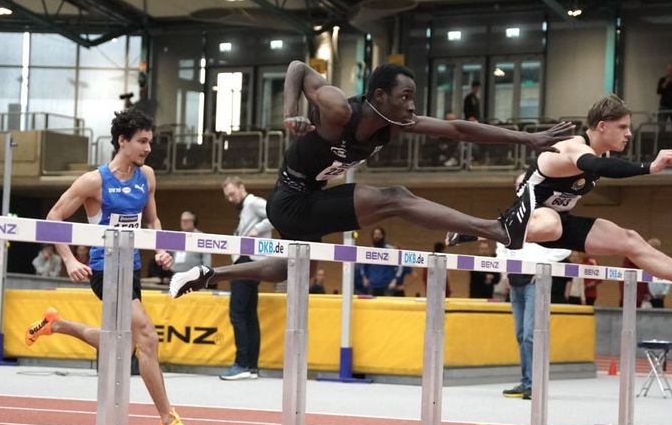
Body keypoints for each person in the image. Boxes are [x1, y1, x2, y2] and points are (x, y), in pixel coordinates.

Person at [167, 61, 574, 298]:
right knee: (395, 196)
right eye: (405, 97)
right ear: (379, 97)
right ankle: (496, 229)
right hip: (289, 198)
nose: (412, 106)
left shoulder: (396, 123)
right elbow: (296, 68)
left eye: (414, 98)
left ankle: (209, 275)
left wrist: (529, 138)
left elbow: (461, 131)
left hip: (309, 198)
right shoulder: (339, 110)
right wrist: (290, 112)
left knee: (292, 268)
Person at [450, 94, 672, 308]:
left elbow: (600, 166)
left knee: (630, 239)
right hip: (531, 216)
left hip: (558, 222)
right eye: (623, 127)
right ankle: (480, 228)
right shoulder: (572, 147)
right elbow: (596, 167)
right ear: (602, 125)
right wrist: (649, 167)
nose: (630, 134)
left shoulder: (602, 154)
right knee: (552, 223)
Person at [24, 108, 203, 425]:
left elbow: (153, 222)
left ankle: (58, 325)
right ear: (122, 141)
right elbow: (53, 218)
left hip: (132, 268)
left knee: (122, 344)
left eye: (150, 141)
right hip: (105, 270)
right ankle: (169, 419)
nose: (148, 148)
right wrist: (67, 259)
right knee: (147, 336)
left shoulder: (147, 176)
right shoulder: (95, 181)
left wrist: (160, 249)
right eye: (142, 141)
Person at [498, 223, 571, 401]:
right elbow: (501, 247)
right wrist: (504, 273)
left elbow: (566, 248)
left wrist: (541, 267)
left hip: (535, 283)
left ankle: (534, 384)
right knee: (521, 334)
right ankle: (526, 382)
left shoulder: (543, 225)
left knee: (530, 335)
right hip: (515, 284)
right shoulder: (511, 224)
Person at [220, 176, 273, 381]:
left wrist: (257, 230)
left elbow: (275, 214)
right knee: (249, 314)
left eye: (232, 193)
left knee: (237, 313)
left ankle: (241, 363)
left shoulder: (252, 202)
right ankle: (251, 366)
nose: (230, 199)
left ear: (242, 188)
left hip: (248, 260)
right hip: (253, 262)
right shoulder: (244, 208)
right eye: (227, 196)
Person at [360, 226, 407, 297]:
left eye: (379, 234)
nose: (377, 236)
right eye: (375, 234)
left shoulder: (390, 250)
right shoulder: (369, 251)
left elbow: (400, 265)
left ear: (383, 236)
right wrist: (364, 278)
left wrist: (395, 280)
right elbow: (363, 266)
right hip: (372, 285)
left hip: (387, 286)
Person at [169, 211, 211, 276]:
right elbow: (169, 253)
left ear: (194, 221)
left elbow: (207, 259)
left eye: (186, 220)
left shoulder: (201, 237)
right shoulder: (177, 236)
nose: (183, 223)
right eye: (182, 220)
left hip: (194, 276)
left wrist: (205, 274)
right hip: (175, 274)